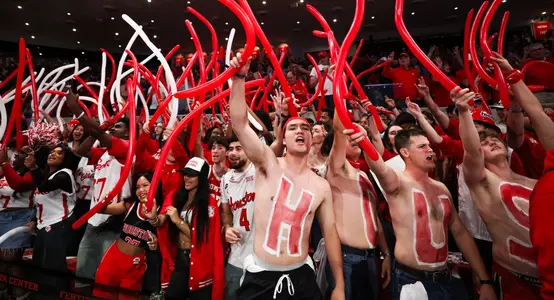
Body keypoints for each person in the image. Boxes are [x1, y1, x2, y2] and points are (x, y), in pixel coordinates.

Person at [229, 53, 345, 300]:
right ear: (285, 136)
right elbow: (239, 123)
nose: (300, 131)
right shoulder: (268, 163)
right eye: (293, 127)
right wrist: (239, 76)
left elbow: (331, 234)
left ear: (312, 137)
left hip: (301, 277)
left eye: (305, 127)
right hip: (260, 277)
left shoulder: (321, 185)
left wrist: (340, 286)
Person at [347, 125, 496, 299]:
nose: (430, 150)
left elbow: (461, 233)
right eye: (422, 147)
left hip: (447, 278)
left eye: (429, 146)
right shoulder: (397, 182)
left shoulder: (441, 189)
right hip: (412, 280)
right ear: (405, 152)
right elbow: (379, 167)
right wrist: (365, 141)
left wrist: (485, 280)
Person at [454, 86, 540, 299]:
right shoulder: (483, 181)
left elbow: (517, 133)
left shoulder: (534, 181)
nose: (491, 141)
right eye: (483, 142)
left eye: (494, 139)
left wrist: (516, 102)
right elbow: (471, 150)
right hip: (515, 281)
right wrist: (464, 111)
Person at [65, 89, 134, 283]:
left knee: (106, 277)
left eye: (117, 126)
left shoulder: (126, 149)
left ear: (128, 132)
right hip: (93, 219)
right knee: (83, 274)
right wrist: (101, 129)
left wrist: (75, 109)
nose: (113, 129)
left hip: (113, 222)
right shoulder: (104, 153)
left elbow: (96, 133)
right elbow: (81, 150)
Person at [324, 112, 391, 300]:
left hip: (371, 258)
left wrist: (385, 254)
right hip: (347, 259)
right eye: (349, 135)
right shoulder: (337, 170)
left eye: (358, 135)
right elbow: (338, 129)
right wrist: (340, 87)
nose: (354, 138)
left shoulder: (363, 175)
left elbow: (374, 218)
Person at [148, 157, 224, 300]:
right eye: (185, 174)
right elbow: (161, 220)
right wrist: (153, 217)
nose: (187, 178)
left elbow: (200, 237)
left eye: (191, 175)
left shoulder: (210, 203)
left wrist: (178, 221)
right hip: (180, 258)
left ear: (201, 177)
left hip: (200, 262)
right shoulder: (176, 195)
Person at [93, 173, 162, 299]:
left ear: (155, 186)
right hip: (114, 257)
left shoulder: (162, 212)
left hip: (135, 263)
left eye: (145, 185)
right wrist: (104, 200)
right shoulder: (131, 205)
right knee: (101, 294)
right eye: (137, 187)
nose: (141, 190)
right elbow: (100, 210)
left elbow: (164, 242)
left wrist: (156, 246)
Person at [26, 143, 77, 276]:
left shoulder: (65, 174)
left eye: (59, 153)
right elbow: (41, 201)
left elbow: (45, 187)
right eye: (52, 151)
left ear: (65, 159)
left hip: (60, 223)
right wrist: (33, 220)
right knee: (38, 265)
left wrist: (33, 168)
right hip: (44, 224)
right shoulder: (47, 176)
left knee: (52, 268)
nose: (53, 154)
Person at [220, 136, 256, 300]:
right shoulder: (226, 179)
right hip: (236, 256)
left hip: (259, 258)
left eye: (239, 148)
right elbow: (226, 211)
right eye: (231, 149)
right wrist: (226, 227)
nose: (233, 153)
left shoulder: (259, 170)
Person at [0, 147, 36, 300]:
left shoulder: (33, 174)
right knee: (8, 266)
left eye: (21, 154)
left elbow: (17, 185)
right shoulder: (4, 171)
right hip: (1, 218)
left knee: (9, 260)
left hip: (20, 217)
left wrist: (4, 164)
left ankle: (20, 295)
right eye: (13, 153)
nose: (15, 156)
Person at [209, 137, 229, 205]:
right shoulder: (206, 170)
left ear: (227, 152)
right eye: (213, 148)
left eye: (220, 148)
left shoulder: (232, 175)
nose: (215, 151)